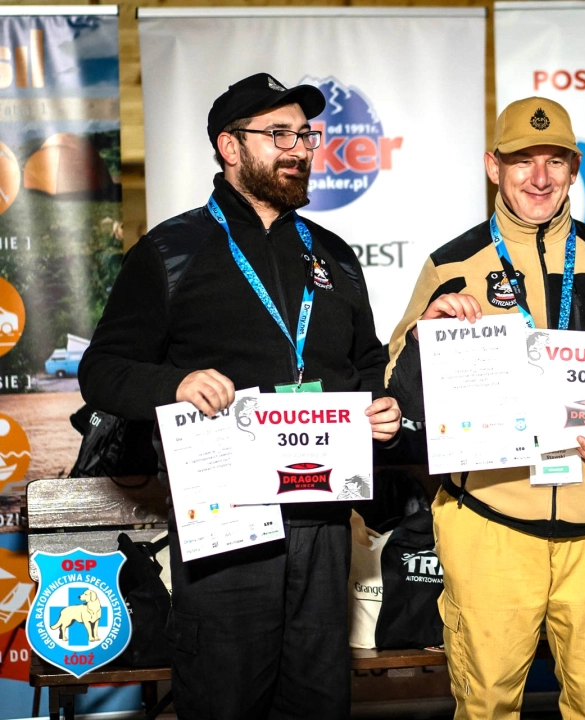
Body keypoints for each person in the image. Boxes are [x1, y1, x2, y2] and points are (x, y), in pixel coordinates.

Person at [79, 72, 401, 719]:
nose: (299, 148)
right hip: (227, 524)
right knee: (226, 697)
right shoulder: (170, 251)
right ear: (230, 147)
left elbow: (365, 363)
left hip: (322, 517)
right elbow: (104, 369)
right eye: (278, 134)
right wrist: (174, 383)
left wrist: (381, 408)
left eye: (304, 134)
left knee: (316, 700)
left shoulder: (333, 255)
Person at [386, 96, 585, 719]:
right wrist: (424, 335)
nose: (540, 177)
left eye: (555, 161)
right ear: (493, 166)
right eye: (524, 161)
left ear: (574, 169)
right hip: (490, 520)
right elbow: (397, 387)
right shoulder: (451, 265)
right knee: (488, 705)